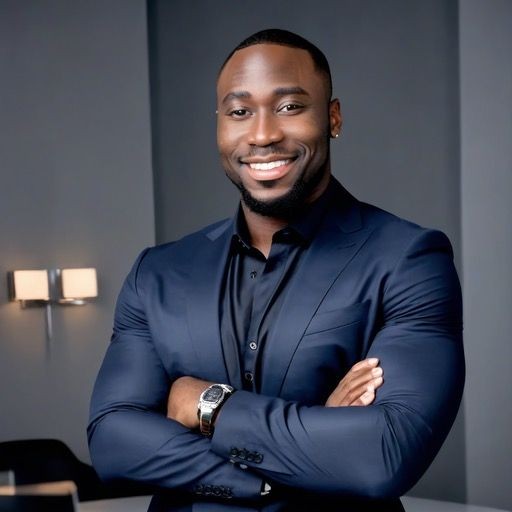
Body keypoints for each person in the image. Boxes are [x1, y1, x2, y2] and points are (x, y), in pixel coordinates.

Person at [88, 29, 464, 511]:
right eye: (239, 111)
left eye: (289, 107)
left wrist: (207, 405)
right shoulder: (158, 272)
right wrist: (292, 461)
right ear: (220, 125)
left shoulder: (408, 260)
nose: (262, 134)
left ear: (333, 118)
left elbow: (382, 455)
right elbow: (113, 442)